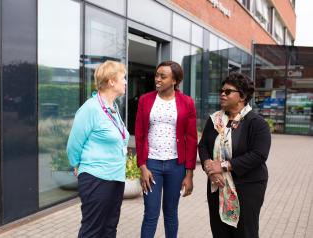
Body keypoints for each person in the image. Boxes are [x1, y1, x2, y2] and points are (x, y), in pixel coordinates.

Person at [199, 73, 271, 238]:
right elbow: (203, 145)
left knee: (244, 231)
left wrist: (223, 166)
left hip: (247, 186)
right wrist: (209, 166)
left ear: (243, 97)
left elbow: (259, 155)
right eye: (221, 90)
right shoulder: (215, 120)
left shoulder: (256, 123)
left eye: (228, 91)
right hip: (217, 184)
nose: (222, 94)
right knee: (219, 231)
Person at [67, 60, 129, 238]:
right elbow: (73, 143)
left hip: (116, 177)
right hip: (96, 179)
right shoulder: (90, 108)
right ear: (111, 81)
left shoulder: (113, 108)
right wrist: (76, 164)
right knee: (92, 230)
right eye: (123, 78)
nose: (125, 82)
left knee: (110, 229)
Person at [135, 61, 197, 238]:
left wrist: (189, 174)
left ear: (175, 80)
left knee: (171, 213)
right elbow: (139, 135)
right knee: (150, 214)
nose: (158, 79)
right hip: (152, 164)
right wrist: (143, 166)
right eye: (157, 75)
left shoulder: (187, 102)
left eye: (163, 76)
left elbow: (192, 139)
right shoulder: (145, 100)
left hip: (176, 165)